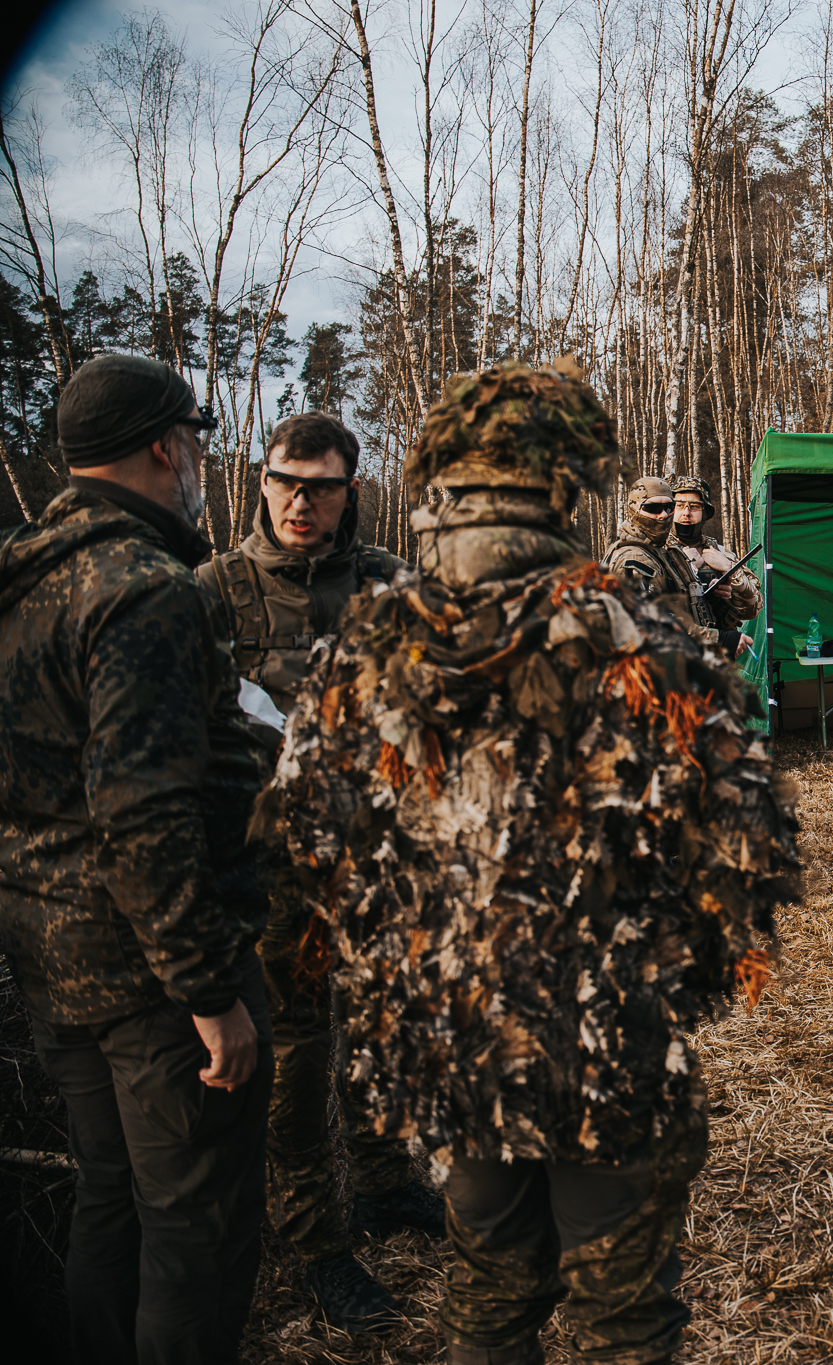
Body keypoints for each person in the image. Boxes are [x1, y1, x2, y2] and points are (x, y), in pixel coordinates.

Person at [256, 360, 801, 1365]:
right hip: (611, 1049)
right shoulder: (647, 640)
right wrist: (670, 981)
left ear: (440, 494)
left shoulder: (365, 646)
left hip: (452, 1053)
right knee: (622, 1317)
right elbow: (750, 859)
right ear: (563, 490)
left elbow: (301, 859)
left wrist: (400, 971)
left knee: (489, 1290)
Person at [0, 353, 275, 1365]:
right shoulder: (146, 591)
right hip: (152, 982)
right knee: (191, 1234)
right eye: (197, 439)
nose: (201, 458)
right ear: (168, 445)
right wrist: (209, 993)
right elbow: (144, 813)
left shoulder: (25, 573)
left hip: (51, 958)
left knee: (108, 1198)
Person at [193, 411, 437, 1330]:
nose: (302, 501)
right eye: (286, 481)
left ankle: (381, 1186)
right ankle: (318, 1244)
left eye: (321, 485)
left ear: (350, 492)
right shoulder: (215, 590)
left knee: (380, 1025)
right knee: (296, 1059)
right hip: (274, 874)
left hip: (376, 858)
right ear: (262, 483)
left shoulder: (387, 585)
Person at [603, 474, 758, 656]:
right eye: (679, 505)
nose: (685, 513)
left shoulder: (665, 550)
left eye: (668, 507)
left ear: (705, 512)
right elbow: (645, 621)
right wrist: (718, 638)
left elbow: (754, 607)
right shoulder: (637, 556)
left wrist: (715, 595)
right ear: (635, 510)